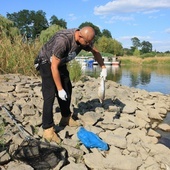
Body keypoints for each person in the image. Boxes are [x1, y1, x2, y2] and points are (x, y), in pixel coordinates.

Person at [36, 26, 107, 144]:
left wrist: (103, 67)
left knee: (67, 88)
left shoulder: (85, 39)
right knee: (49, 94)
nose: (88, 45)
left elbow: (96, 51)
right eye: (87, 42)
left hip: (60, 63)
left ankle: (66, 118)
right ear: (79, 36)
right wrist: (59, 89)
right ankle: (48, 129)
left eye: (90, 42)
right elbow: (53, 67)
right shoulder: (62, 41)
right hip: (46, 62)